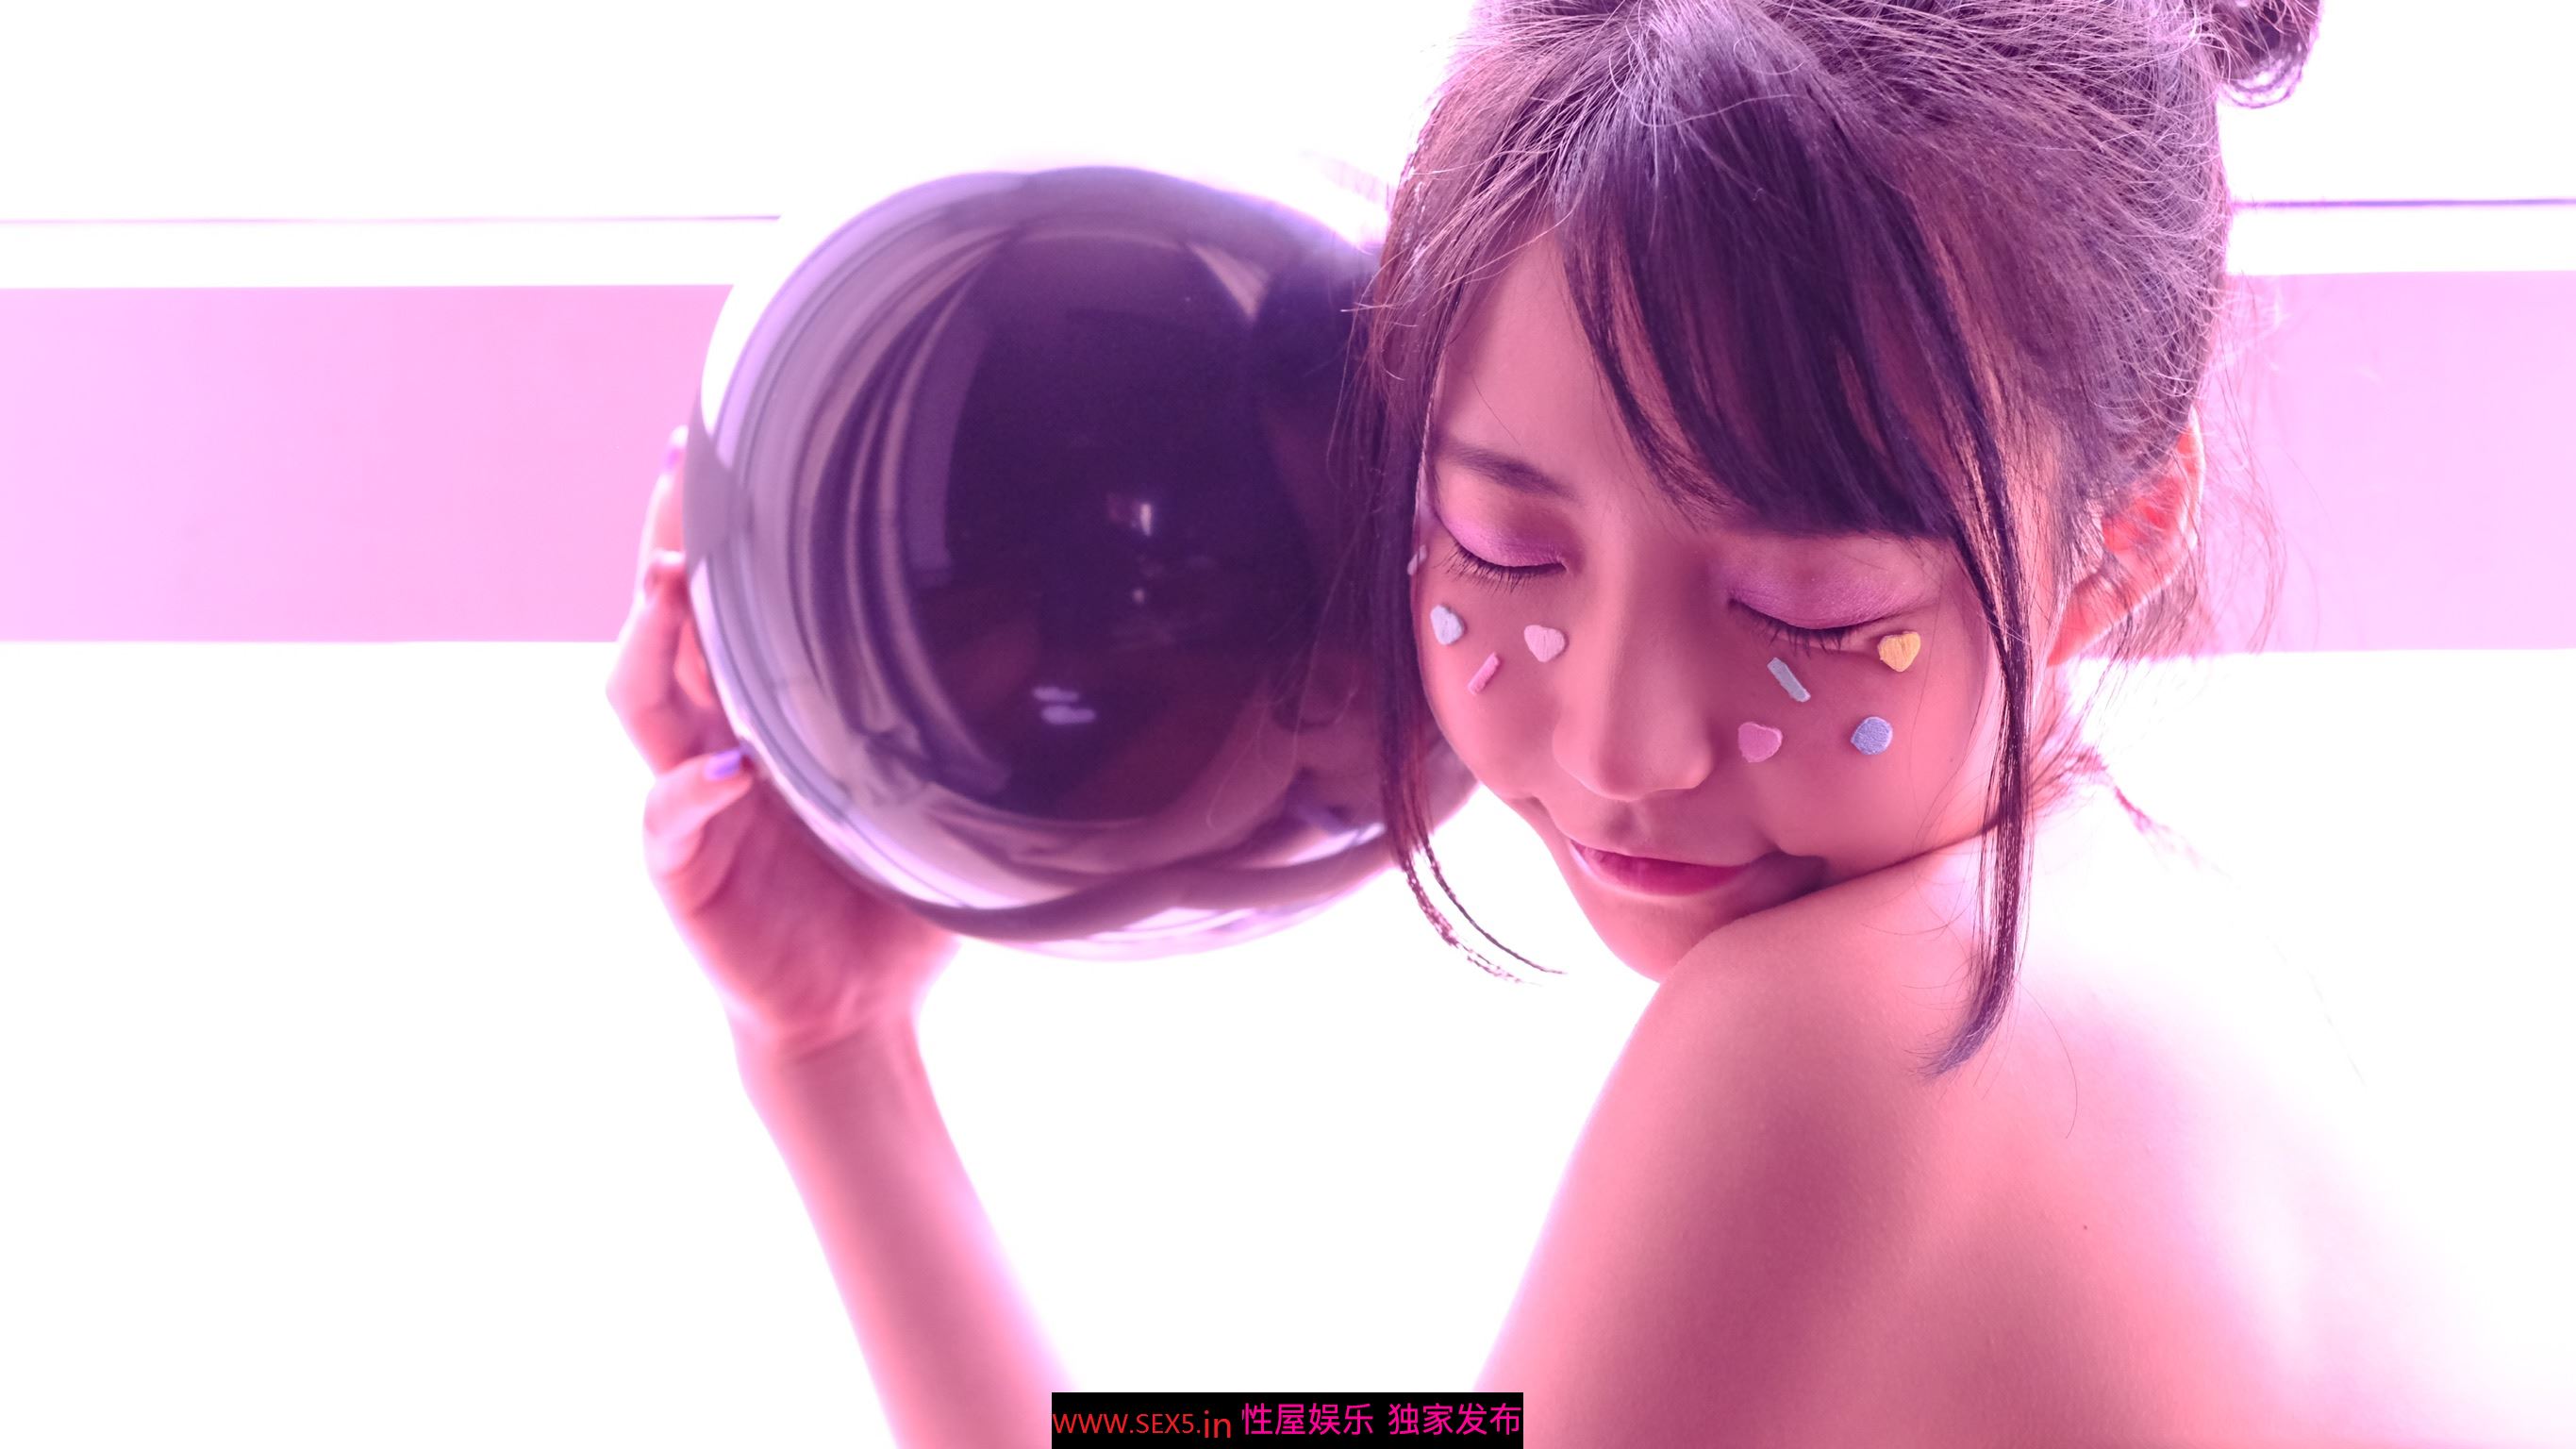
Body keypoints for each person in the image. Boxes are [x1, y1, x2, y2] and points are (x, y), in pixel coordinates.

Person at [607, 1, 2571, 1443]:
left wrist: (837, 1075)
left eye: (1803, 608)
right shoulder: (2123, 937)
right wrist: (835, 1055)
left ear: (2118, 537)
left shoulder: (1867, 1030)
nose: (1622, 743)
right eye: (1502, 546)